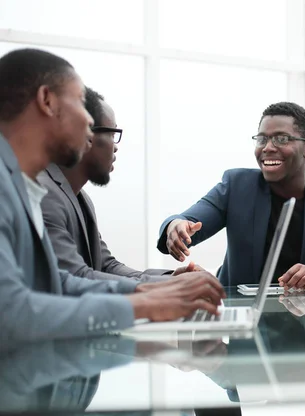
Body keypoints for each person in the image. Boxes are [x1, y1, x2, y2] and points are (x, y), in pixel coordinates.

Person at [0, 48, 225, 343]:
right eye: (81, 102)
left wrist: (157, 290)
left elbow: (58, 282)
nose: (87, 123)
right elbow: (12, 310)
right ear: (47, 101)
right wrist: (145, 302)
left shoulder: (20, 185)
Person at [157, 102, 305, 289]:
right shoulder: (236, 185)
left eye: (281, 139)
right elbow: (189, 221)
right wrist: (176, 225)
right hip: (242, 319)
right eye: (261, 139)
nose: (268, 148)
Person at [38, 87, 198, 283]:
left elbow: (106, 265)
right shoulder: (45, 194)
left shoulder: (80, 198)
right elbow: (76, 276)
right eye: (112, 134)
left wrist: (171, 280)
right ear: (85, 133)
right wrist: (161, 287)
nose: (115, 146)